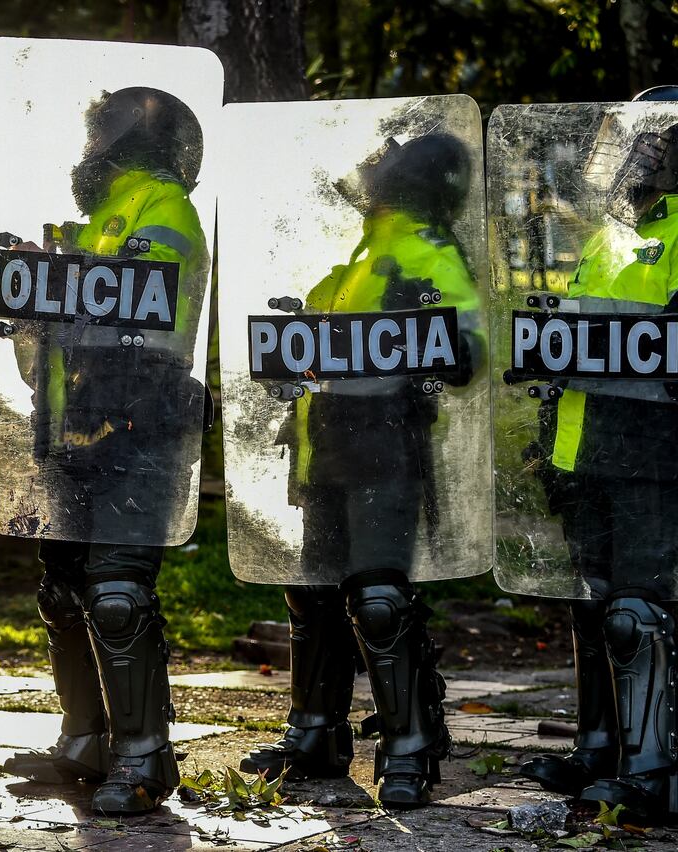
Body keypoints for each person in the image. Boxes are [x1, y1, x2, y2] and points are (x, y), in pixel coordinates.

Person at [240, 132, 482, 808]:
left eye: (385, 162)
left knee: (378, 598)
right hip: (327, 446)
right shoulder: (361, 253)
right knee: (313, 593)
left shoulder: (425, 251)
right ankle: (315, 734)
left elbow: (467, 349)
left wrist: (437, 330)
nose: (369, 170)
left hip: (388, 451)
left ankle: (408, 746)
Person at [2, 87, 209, 815]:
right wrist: (34, 284)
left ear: (124, 141)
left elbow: (139, 320)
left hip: (137, 427)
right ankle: (85, 740)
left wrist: (57, 286)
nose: (86, 152)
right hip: (71, 427)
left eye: (96, 137)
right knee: (63, 590)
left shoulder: (163, 210)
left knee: (117, 593)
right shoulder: (98, 224)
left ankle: (144, 755)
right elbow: (62, 340)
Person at [517, 87, 678, 819]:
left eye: (651, 143)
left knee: (638, 611)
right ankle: (600, 749)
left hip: (655, 460)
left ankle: (651, 771)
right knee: (593, 604)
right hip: (584, 451)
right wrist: (547, 441)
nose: (632, 156)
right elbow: (570, 348)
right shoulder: (609, 236)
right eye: (630, 141)